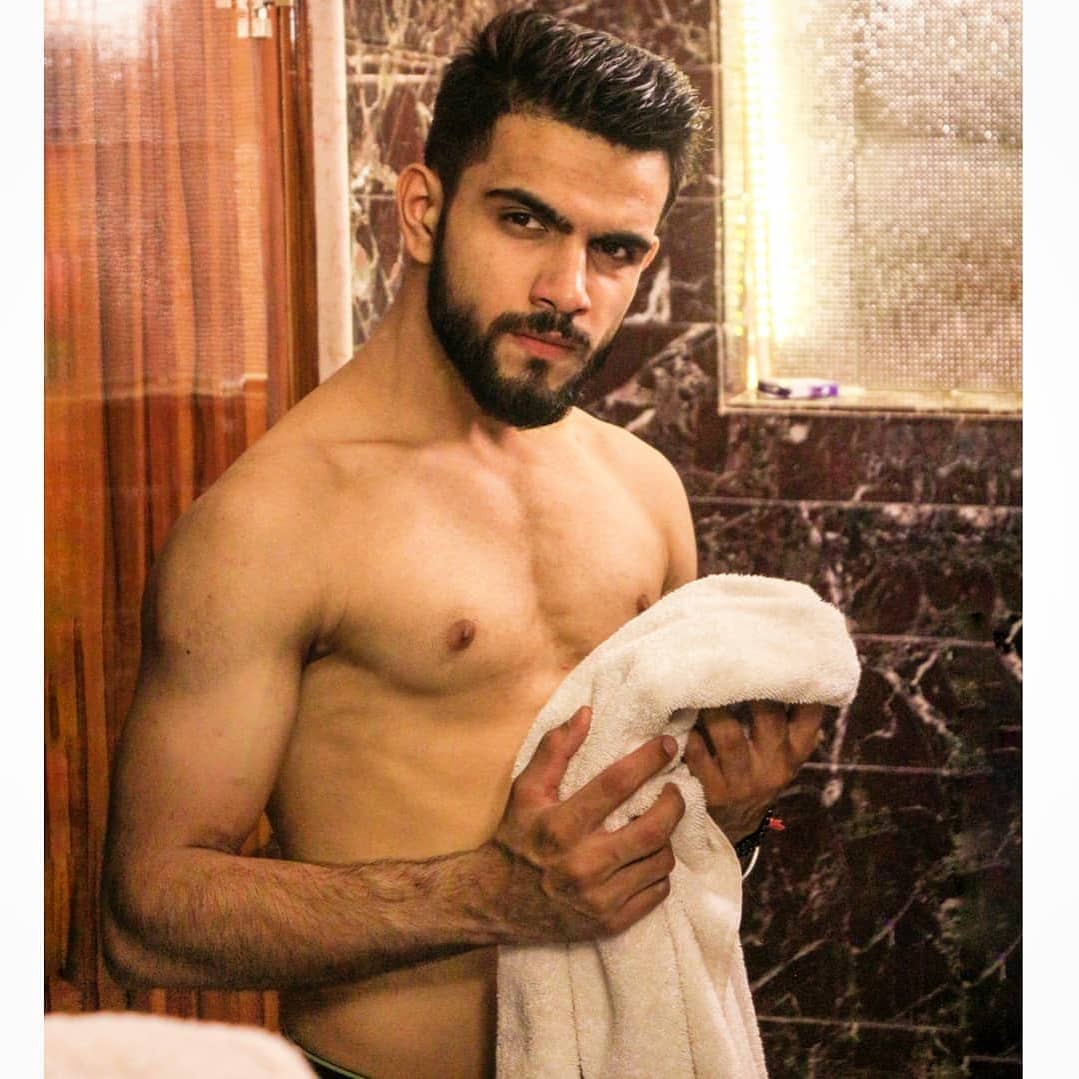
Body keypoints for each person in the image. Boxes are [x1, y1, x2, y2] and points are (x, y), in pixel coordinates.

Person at [101, 11, 824, 1078]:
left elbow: (665, 852)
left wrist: (734, 812)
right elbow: (145, 914)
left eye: (614, 249)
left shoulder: (643, 490)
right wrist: (489, 894)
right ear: (423, 211)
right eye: (525, 221)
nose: (568, 291)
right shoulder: (277, 518)